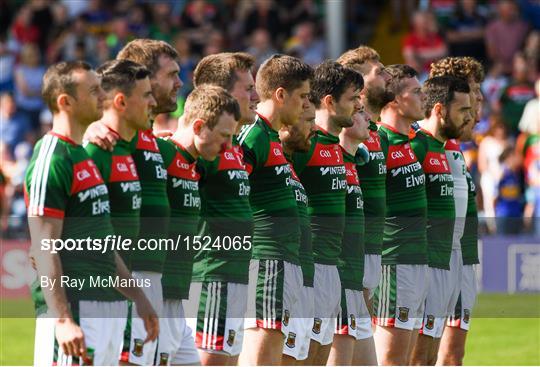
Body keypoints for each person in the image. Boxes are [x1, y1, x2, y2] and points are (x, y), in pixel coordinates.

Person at [26, 61, 158, 366]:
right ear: (65, 101)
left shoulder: (82, 156)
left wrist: (138, 298)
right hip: (76, 307)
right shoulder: (52, 158)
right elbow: (45, 248)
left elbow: (101, 241)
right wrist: (62, 320)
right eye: (94, 90)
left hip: (106, 305)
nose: (103, 96)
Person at [84, 38, 182, 366]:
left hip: (157, 280)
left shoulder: (156, 142)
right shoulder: (105, 138)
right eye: (172, 75)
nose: (180, 83)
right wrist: (91, 129)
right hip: (126, 275)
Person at [237, 54, 313, 366]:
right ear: (281, 95)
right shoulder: (254, 135)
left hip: (285, 261)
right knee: (261, 356)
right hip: (267, 261)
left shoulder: (272, 138)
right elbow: (230, 191)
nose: (307, 105)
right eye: (304, 96)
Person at [158, 85, 240, 366]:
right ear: (199, 126)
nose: (228, 147)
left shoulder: (195, 164)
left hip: (175, 299)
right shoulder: (161, 153)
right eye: (224, 137)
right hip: (153, 295)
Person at [185, 52, 258, 365]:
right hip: (210, 278)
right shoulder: (204, 147)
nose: (256, 96)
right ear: (224, 94)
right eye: (248, 89)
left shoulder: (234, 146)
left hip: (234, 279)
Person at [290, 61, 362, 365]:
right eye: (353, 99)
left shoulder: (335, 146)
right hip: (311, 265)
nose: (359, 105)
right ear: (330, 102)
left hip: (332, 268)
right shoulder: (307, 143)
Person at [409, 76, 472, 365]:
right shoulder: (416, 145)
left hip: (445, 259)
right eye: (463, 110)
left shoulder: (442, 147)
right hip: (423, 264)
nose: (469, 117)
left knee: (429, 356)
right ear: (439, 109)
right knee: (415, 355)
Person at [428, 56, 485, 366]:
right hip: (437, 259)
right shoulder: (427, 145)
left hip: (461, 256)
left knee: (452, 356)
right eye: (474, 90)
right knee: (435, 354)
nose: (479, 99)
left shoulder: (453, 147)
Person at [372, 64, 429, 366]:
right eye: (417, 92)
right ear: (394, 100)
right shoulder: (380, 140)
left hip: (414, 260)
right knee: (390, 359)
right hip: (393, 262)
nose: (424, 98)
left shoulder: (408, 142)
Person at [337, 47, 393, 329]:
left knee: (363, 335)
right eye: (379, 71)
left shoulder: (376, 133)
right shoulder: (342, 131)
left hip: (372, 245)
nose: (387, 75)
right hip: (349, 251)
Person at [85, 59, 154, 272]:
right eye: (146, 95)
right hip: (93, 289)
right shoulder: (96, 150)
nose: (153, 102)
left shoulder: (127, 144)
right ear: (121, 102)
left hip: (121, 287)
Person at [327, 105, 377, 366]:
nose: (368, 116)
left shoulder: (354, 160)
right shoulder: (328, 158)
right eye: (359, 110)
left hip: (353, 286)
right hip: (337, 284)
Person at [278, 102, 316, 364]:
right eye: (308, 121)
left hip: (302, 277)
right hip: (277, 276)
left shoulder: (290, 166)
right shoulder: (264, 154)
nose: (314, 128)